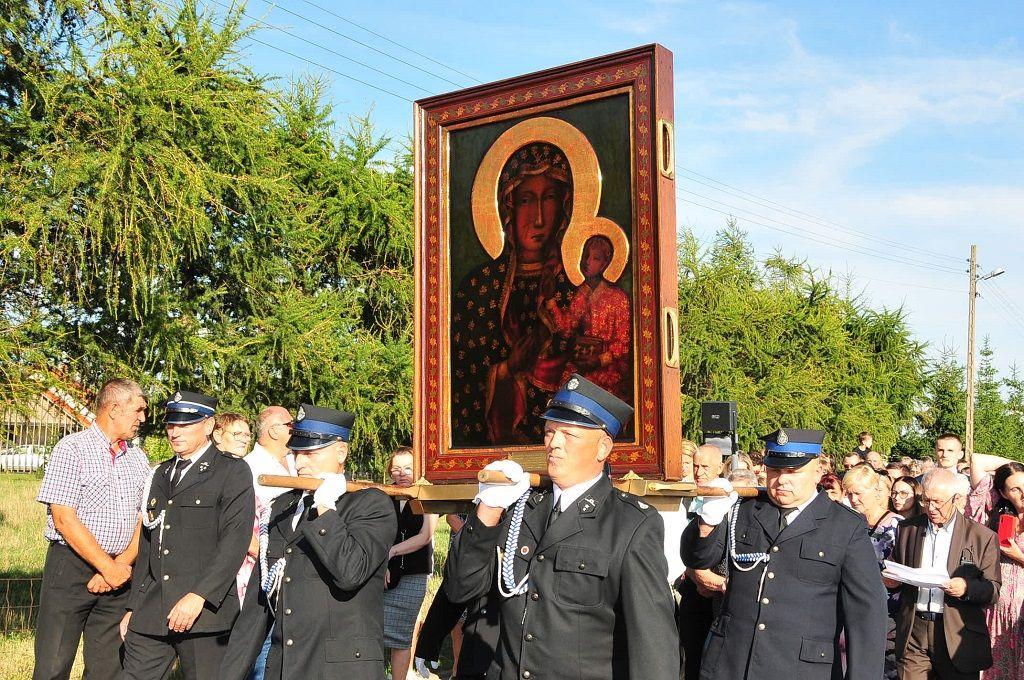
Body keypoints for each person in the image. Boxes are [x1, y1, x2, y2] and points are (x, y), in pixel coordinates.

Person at [445, 373, 679, 679]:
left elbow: (652, 643)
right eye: (549, 432)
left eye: (569, 435)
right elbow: (460, 588)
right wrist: (487, 510)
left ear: (603, 448)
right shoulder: (521, 508)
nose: (553, 444)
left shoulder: (631, 523)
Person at [681, 428, 886, 680]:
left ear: (818, 472)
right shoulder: (742, 510)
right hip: (731, 664)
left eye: (793, 472)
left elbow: (866, 613)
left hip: (801, 669)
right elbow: (698, 559)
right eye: (775, 470)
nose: (781, 480)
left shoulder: (844, 526)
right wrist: (707, 521)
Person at [120, 389, 255, 680]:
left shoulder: (232, 471)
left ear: (208, 426)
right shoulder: (161, 473)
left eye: (185, 424)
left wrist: (200, 595)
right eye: (171, 424)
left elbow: (235, 541)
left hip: (204, 613)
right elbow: (149, 543)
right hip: (153, 609)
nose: (175, 431)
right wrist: (133, 606)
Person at [451, 142, 579, 447]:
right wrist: (507, 369)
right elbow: (459, 384)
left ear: (565, 207)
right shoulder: (478, 287)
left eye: (549, 199)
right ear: (508, 208)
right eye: (526, 200)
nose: (538, 218)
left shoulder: (573, 287)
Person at [261, 404, 396, 679]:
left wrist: (325, 506)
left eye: (310, 453)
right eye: (296, 453)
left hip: (343, 668)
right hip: (287, 665)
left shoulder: (371, 504)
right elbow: (263, 600)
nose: (299, 463)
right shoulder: (284, 506)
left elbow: (350, 572)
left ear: (341, 451)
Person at [33, 378, 151, 680]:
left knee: (108, 667)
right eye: (138, 410)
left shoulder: (138, 458)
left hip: (120, 572)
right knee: (53, 664)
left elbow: (144, 518)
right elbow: (64, 519)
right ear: (113, 409)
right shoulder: (72, 449)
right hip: (72, 566)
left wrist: (119, 565)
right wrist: (105, 566)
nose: (143, 418)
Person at [889, 468, 1000, 680]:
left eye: (938, 502)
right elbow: (897, 568)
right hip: (914, 630)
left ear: (956, 499)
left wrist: (966, 587)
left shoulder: (981, 536)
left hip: (956, 633)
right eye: (925, 500)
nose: (931, 508)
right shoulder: (907, 529)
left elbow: (992, 590)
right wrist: (891, 580)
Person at [222, 406, 295, 680]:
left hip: (288, 569)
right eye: (291, 425)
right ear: (274, 430)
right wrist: (268, 562)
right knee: (257, 646)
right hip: (257, 571)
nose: (295, 431)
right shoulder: (250, 468)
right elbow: (241, 525)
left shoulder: (295, 462)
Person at [546, 234, 631, 398]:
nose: (587, 261)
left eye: (595, 258)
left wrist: (600, 360)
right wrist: (550, 301)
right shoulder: (581, 294)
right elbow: (567, 329)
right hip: (582, 360)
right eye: (585, 255)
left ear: (605, 264)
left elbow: (623, 343)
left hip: (608, 367)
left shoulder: (618, 297)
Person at [965, 453, 1024, 679]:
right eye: (1015, 489)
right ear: (1003, 493)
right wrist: (1009, 468)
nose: (1023, 493)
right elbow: (977, 460)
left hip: (1021, 613)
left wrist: (1019, 556)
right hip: (994, 610)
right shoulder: (997, 514)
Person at [842, 465, 903, 679]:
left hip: (887, 611)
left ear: (876, 492)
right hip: (850, 606)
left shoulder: (897, 527)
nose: (853, 498)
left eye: (858, 493)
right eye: (848, 493)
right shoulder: (847, 522)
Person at [384, 447, 438, 680]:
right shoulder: (385, 495)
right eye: (396, 468)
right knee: (375, 633)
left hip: (414, 573)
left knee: (401, 635)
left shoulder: (428, 494)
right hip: (385, 573)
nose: (402, 473)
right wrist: (382, 563)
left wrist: (391, 552)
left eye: (408, 468)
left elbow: (425, 535)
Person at [678, 444, 725, 680]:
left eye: (705, 467)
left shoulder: (728, 500)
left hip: (718, 596)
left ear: (720, 467)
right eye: (695, 466)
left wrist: (715, 582)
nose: (699, 472)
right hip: (692, 591)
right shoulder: (688, 495)